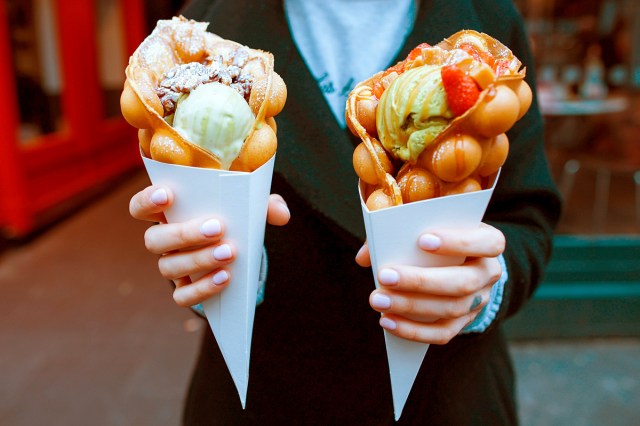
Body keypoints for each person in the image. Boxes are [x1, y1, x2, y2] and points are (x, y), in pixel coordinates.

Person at [129, 0, 562, 424]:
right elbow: (195, 217)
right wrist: (217, 270)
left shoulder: (487, 22)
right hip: (268, 389)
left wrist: (482, 286)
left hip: (445, 392)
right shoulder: (208, 26)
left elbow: (527, 214)